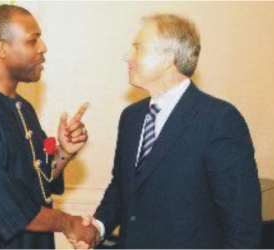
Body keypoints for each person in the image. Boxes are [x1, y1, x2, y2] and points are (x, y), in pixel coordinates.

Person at [76, 14, 262, 248]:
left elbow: (242, 222)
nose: (128, 58)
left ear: (167, 59)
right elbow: (122, 186)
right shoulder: (131, 117)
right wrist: (98, 227)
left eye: (137, 49)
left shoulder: (219, 120)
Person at [0, 4, 100, 249]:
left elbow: (37, 180)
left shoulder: (23, 107)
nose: (43, 48)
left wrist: (64, 152)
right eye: (33, 41)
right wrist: (67, 223)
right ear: (1, 48)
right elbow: (6, 206)